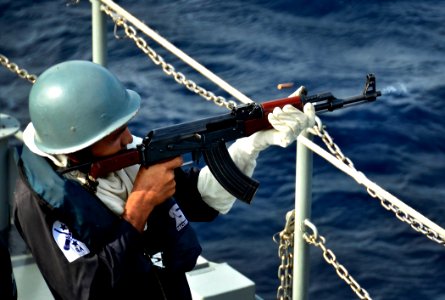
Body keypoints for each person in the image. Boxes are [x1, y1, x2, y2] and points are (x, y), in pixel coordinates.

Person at [13, 60, 315, 300]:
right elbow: (88, 290)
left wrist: (251, 144)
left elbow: (202, 201)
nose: (130, 138)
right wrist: (139, 207)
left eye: (125, 127)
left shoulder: (122, 154)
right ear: (76, 148)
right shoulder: (39, 203)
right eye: (115, 136)